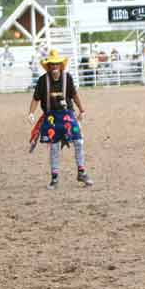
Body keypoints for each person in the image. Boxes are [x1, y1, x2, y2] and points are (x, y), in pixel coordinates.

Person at [28, 50, 93, 189]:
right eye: (52, 64)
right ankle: (55, 177)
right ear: (49, 66)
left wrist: (82, 110)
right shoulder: (42, 80)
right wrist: (31, 113)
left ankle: (81, 171)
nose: (55, 66)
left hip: (67, 115)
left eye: (57, 63)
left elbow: (74, 95)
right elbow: (35, 98)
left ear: (61, 65)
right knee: (54, 146)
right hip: (51, 116)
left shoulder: (67, 78)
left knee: (79, 141)